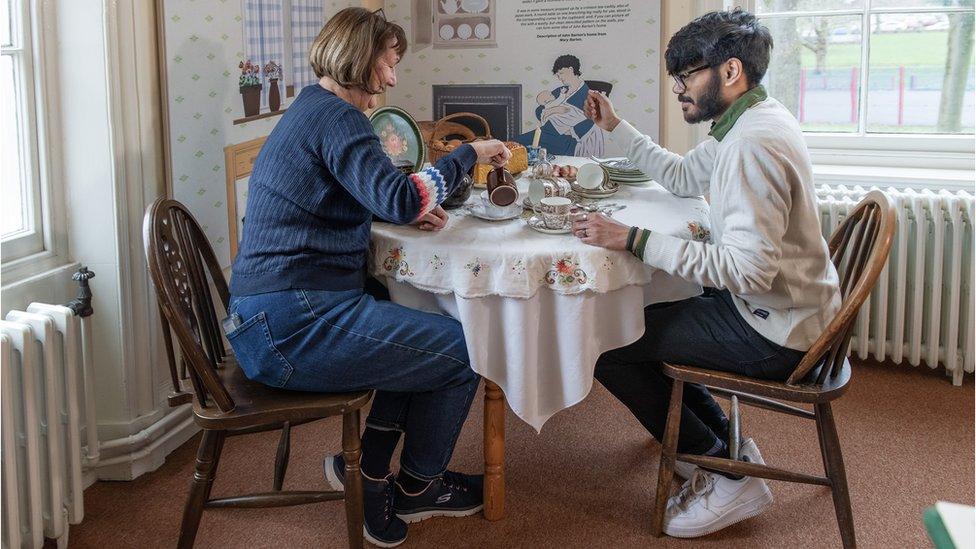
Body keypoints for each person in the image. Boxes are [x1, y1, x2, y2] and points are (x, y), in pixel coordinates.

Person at [226, 8, 511, 548]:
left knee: (419, 328)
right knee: (466, 351)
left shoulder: (313, 112)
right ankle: (420, 484)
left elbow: (352, 196)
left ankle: (371, 469)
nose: (392, 77)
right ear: (361, 57)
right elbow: (401, 194)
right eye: (389, 61)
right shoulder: (339, 120)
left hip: (274, 313)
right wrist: (466, 154)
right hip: (291, 326)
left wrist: (391, 212)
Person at [575, 9, 841, 538]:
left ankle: (722, 471)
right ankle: (726, 448)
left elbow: (747, 270)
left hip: (780, 330)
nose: (679, 88)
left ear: (731, 71)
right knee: (641, 322)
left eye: (688, 75)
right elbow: (679, 178)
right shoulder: (749, 119)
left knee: (606, 345)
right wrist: (615, 127)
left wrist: (633, 239)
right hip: (791, 309)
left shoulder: (749, 144)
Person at [516, 54, 605, 157]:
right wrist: (553, 110)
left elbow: (592, 121)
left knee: (520, 144)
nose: (559, 78)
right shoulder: (561, 90)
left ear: (571, 69)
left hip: (568, 139)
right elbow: (539, 109)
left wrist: (557, 114)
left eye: (561, 73)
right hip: (549, 131)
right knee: (517, 142)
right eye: (557, 75)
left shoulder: (586, 93)